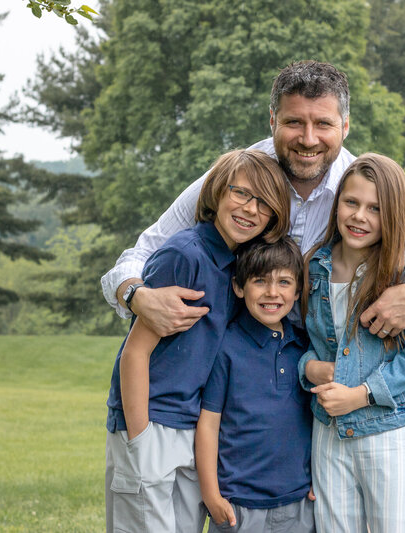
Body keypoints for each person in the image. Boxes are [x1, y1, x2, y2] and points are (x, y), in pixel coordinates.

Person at [100, 60, 405, 339]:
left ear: (346, 126)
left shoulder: (364, 192)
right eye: (294, 123)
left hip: (325, 377)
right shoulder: (235, 179)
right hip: (233, 368)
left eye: (323, 124)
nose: (308, 139)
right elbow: (137, 256)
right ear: (272, 120)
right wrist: (136, 296)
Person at [104, 150, 290, 533]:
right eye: (241, 194)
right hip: (151, 423)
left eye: (263, 204)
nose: (250, 209)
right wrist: (138, 439)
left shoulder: (239, 269)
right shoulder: (184, 254)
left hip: (193, 429)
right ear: (217, 193)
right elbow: (134, 353)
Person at [299, 153, 405, 532]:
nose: (360, 216)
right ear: (337, 204)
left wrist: (359, 395)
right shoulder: (314, 267)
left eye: (375, 208)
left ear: (394, 214)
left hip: (390, 428)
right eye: (352, 202)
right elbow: (305, 342)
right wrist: (309, 368)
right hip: (328, 430)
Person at [196, 237, 315, 533]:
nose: (272, 292)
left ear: (298, 290)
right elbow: (209, 425)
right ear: (239, 286)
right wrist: (211, 494)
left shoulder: (304, 348)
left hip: (300, 503)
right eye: (260, 281)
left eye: (284, 282)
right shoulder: (226, 347)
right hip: (238, 505)